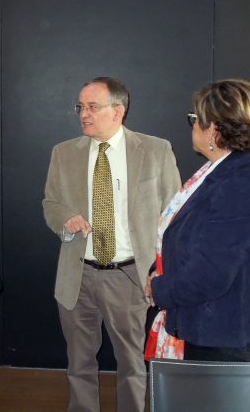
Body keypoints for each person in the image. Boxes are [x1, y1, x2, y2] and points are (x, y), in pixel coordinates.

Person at [43, 77, 181, 412]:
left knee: (132, 365)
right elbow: (50, 203)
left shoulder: (155, 150)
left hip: (129, 276)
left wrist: (162, 273)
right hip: (78, 277)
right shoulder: (63, 153)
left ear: (118, 110)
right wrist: (65, 219)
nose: (83, 114)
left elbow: (174, 213)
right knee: (79, 364)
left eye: (92, 106)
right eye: (80, 107)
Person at [147, 78, 250, 362]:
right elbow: (190, 239)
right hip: (214, 327)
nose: (192, 125)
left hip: (225, 337)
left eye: (195, 118)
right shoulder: (223, 172)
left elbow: (211, 273)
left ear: (214, 129)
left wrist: (159, 289)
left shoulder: (240, 182)